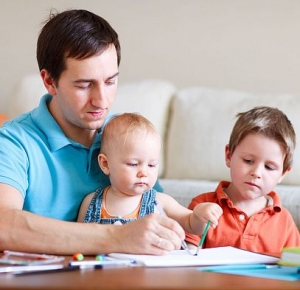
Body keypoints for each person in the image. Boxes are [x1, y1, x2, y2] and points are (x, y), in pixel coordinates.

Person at [0, 9, 185, 255]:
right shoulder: (13, 141)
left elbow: (156, 215)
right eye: (85, 85)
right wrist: (115, 236)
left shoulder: (125, 136)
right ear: (49, 81)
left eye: (110, 82)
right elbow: (3, 225)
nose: (101, 101)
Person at [77, 113, 222, 246]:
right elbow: (80, 240)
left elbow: (191, 224)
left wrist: (199, 215)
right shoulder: (92, 202)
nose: (143, 173)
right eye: (133, 164)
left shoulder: (159, 201)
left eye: (152, 165)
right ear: (105, 164)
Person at [185, 106, 300, 257]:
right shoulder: (202, 206)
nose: (257, 173)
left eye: (269, 167)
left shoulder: (284, 221)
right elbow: (186, 259)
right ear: (229, 155)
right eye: (248, 160)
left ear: (282, 174)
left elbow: (293, 268)